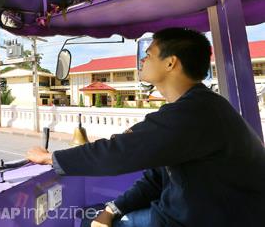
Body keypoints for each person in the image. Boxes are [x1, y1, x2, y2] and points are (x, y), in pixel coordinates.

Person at [26, 27, 265, 227]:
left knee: (84, 220)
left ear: (171, 63)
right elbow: (157, 177)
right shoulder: (198, 108)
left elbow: (118, 153)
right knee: (96, 216)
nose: (142, 59)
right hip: (189, 214)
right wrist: (112, 209)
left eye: (149, 54)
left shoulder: (193, 113)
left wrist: (50, 158)